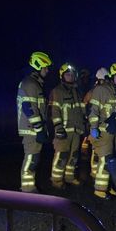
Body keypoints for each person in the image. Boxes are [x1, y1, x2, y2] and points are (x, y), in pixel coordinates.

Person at [88, 62, 116, 199]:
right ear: (112, 75)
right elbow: (93, 111)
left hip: (115, 133)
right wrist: (94, 127)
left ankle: (108, 187)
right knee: (105, 161)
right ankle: (100, 189)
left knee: (112, 162)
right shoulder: (101, 90)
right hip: (103, 132)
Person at [16, 51, 52, 193]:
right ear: (38, 66)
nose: (47, 70)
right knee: (31, 158)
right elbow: (29, 108)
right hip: (31, 129)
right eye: (45, 67)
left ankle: (29, 187)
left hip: (33, 128)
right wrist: (39, 128)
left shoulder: (34, 83)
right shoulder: (31, 84)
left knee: (34, 158)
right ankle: (27, 188)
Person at [48, 63, 86, 188]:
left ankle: (69, 177)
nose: (70, 77)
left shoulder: (77, 91)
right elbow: (54, 111)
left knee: (73, 156)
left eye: (72, 75)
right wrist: (58, 127)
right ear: (62, 76)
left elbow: (81, 110)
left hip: (76, 130)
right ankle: (57, 180)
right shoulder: (57, 91)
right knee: (61, 156)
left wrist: (85, 124)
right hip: (63, 131)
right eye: (67, 74)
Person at [82, 67, 108, 178]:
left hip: (101, 125)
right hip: (94, 124)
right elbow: (85, 105)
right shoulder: (94, 91)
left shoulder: (101, 90)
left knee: (98, 150)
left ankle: (95, 171)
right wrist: (87, 118)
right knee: (95, 150)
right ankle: (94, 173)